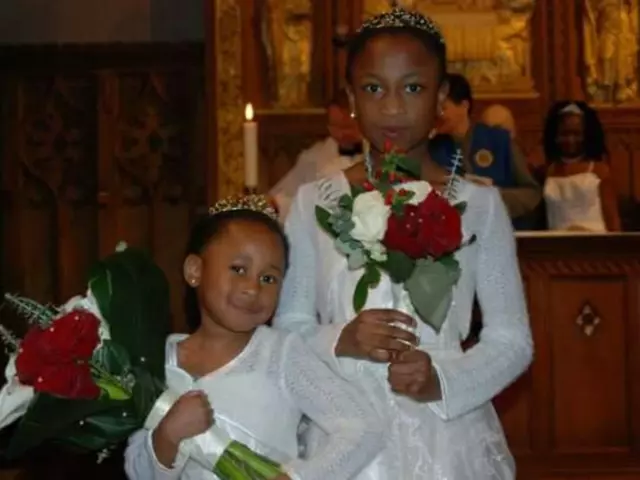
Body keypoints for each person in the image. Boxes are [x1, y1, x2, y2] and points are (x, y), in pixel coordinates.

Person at [274, 6, 533, 480]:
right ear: (352, 97)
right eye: (374, 88)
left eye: (412, 88)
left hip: (446, 438)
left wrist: (442, 380)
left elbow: (512, 339)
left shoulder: (479, 205)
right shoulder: (314, 203)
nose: (392, 108)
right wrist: (341, 338)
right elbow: (288, 328)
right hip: (346, 434)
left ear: (441, 97)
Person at [124, 195, 383, 480]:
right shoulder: (153, 362)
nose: (252, 288)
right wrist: (168, 435)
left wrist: (296, 477)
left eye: (268, 278)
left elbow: (362, 428)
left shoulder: (281, 355)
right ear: (195, 270)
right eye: (239, 269)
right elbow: (138, 472)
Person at [431, 73, 541, 229]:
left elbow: (531, 194)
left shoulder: (499, 141)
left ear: (464, 105)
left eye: (443, 108)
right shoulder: (430, 148)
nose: (436, 114)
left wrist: (491, 197)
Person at [270, 89, 363, 220]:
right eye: (334, 127)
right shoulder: (313, 158)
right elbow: (285, 195)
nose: (340, 134)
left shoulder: (380, 157)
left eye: (347, 127)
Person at [542, 101, 621, 232]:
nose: (570, 139)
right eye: (564, 134)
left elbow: (613, 219)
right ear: (555, 136)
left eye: (576, 134)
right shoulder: (548, 171)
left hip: (594, 239)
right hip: (557, 240)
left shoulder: (599, 170)